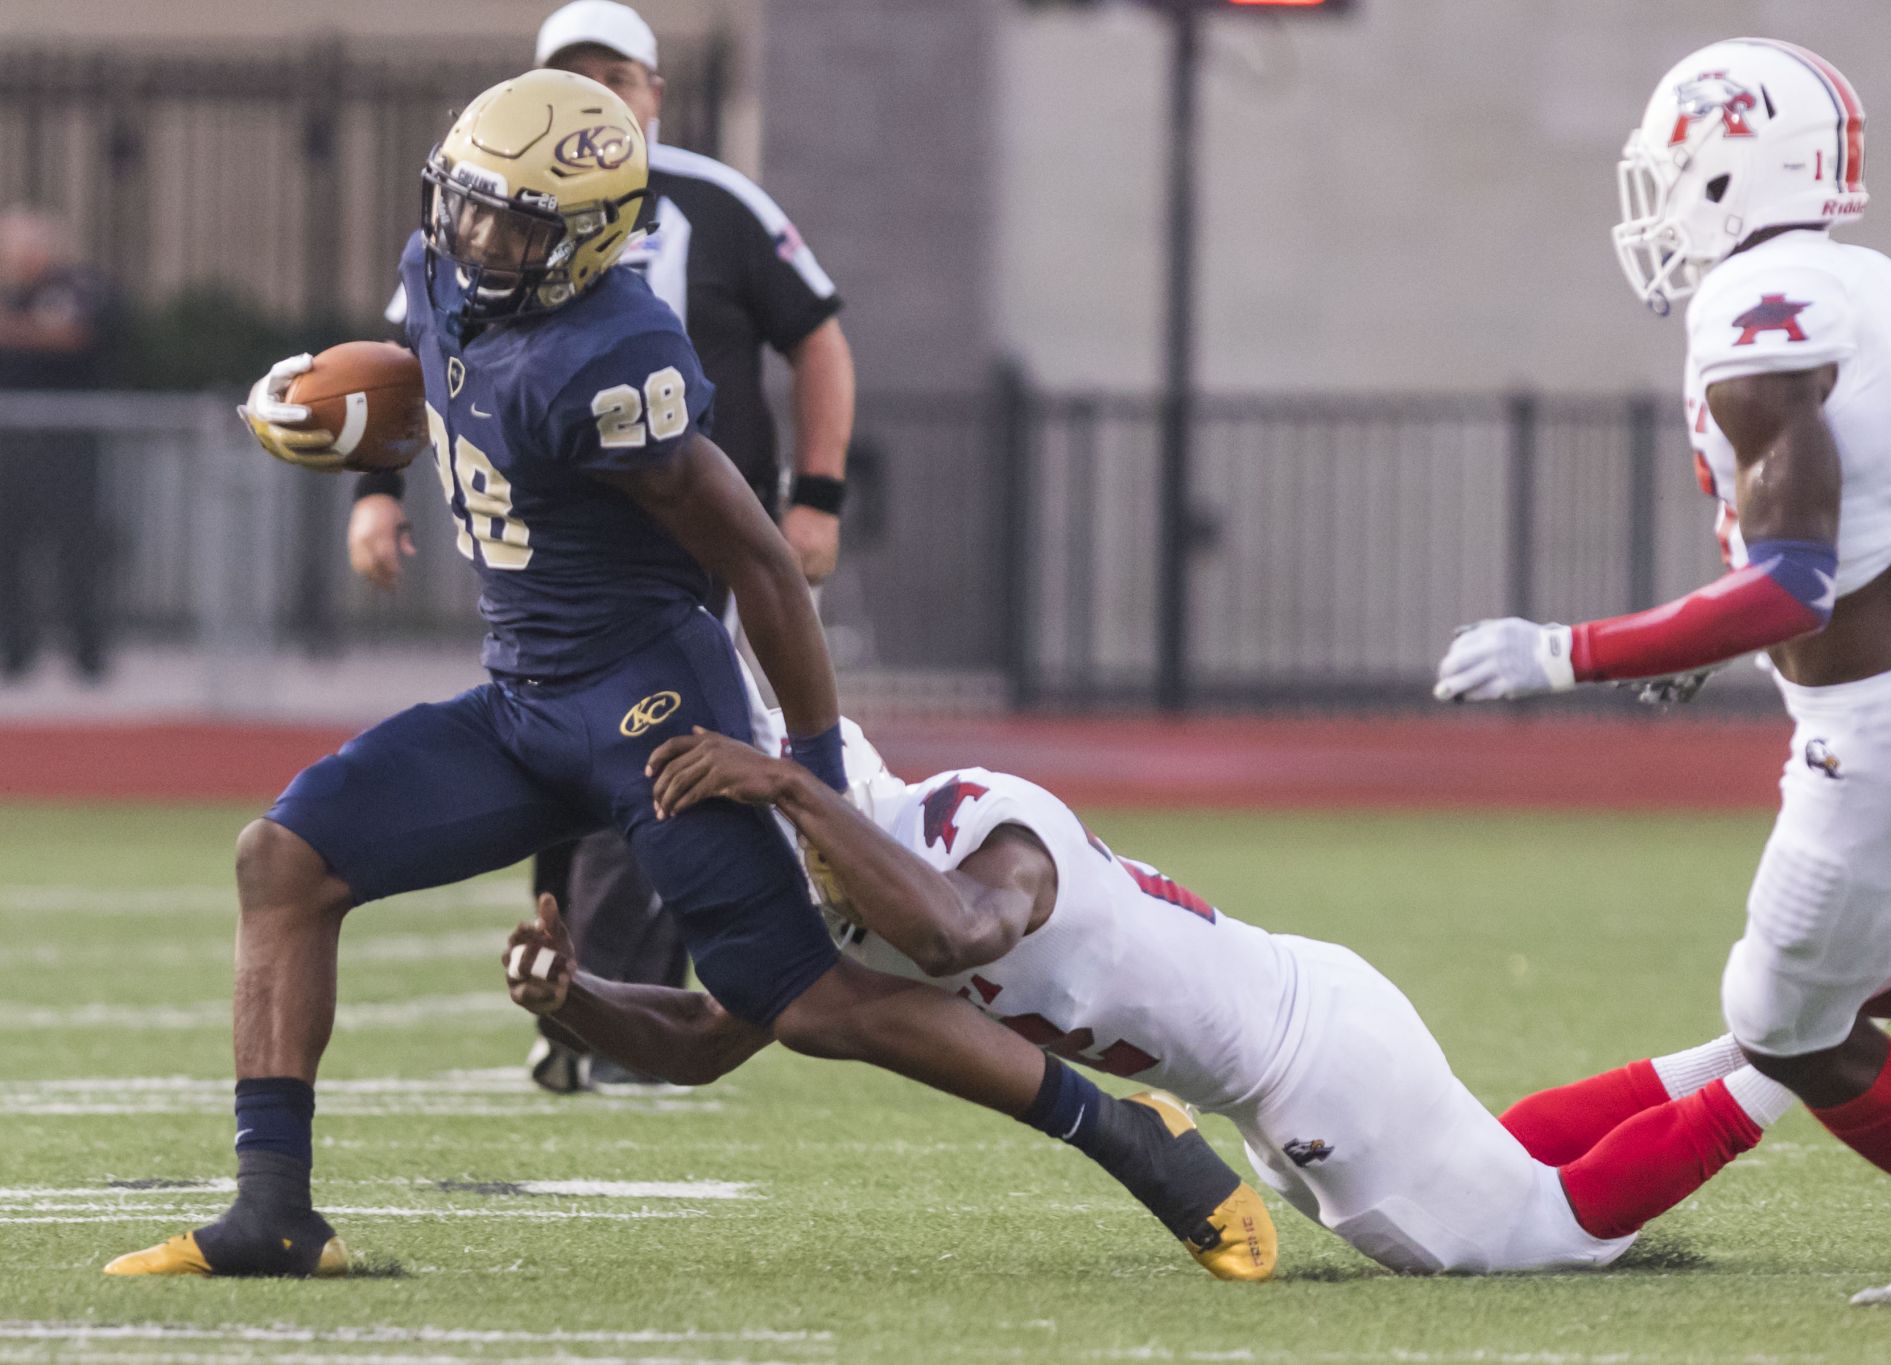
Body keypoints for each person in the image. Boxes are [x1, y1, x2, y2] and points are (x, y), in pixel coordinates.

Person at [104, 70, 1269, 1283]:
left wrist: (807, 769)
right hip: (522, 700)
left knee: (806, 1004)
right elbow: (442, 389)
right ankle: (274, 1213)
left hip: (649, 707)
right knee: (283, 860)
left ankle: (1132, 1138)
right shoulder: (446, 270)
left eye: (513, 225)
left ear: (594, 238)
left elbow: (760, 563)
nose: (475, 238)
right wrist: (352, 432)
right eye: (466, 208)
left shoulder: (613, 356)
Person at [1433, 38, 1891, 1306]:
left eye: (1673, 170)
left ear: (1731, 168)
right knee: (1868, 972)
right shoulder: (1858, 278)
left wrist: (1564, 654)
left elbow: (1789, 585)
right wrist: (1717, 639)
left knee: (1784, 1025)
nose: (1658, 201)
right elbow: (1852, 537)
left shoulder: (1759, 315)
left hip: (1877, 731)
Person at [502, 714, 1804, 1274]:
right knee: (1504, 1157)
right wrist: (575, 996)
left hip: (1309, 1065)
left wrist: (786, 786)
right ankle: (1746, 1049)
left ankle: (1785, 1068)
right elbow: (700, 1043)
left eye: (794, 837)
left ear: (835, 808)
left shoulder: (979, 822)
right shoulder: (860, 901)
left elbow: (963, 934)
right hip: (1295, 1042)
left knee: (1540, 1231)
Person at [348, 0, 857, 1092]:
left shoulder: (718, 203)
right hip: (553, 542)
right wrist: (371, 483)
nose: (595, 105)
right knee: (569, 755)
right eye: (571, 80)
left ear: (653, 93)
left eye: (614, 80)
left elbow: (816, 335)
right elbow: (418, 353)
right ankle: (589, 1008)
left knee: (652, 760)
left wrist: (814, 494)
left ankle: (644, 1007)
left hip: (689, 539)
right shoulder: (484, 209)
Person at [0, 209, 115, 682]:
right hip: (13, 447)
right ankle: (16, 653)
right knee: (9, 550)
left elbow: (72, 335)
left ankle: (87, 655)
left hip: (67, 445)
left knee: (76, 550)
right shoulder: (13, 294)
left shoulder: (76, 286)